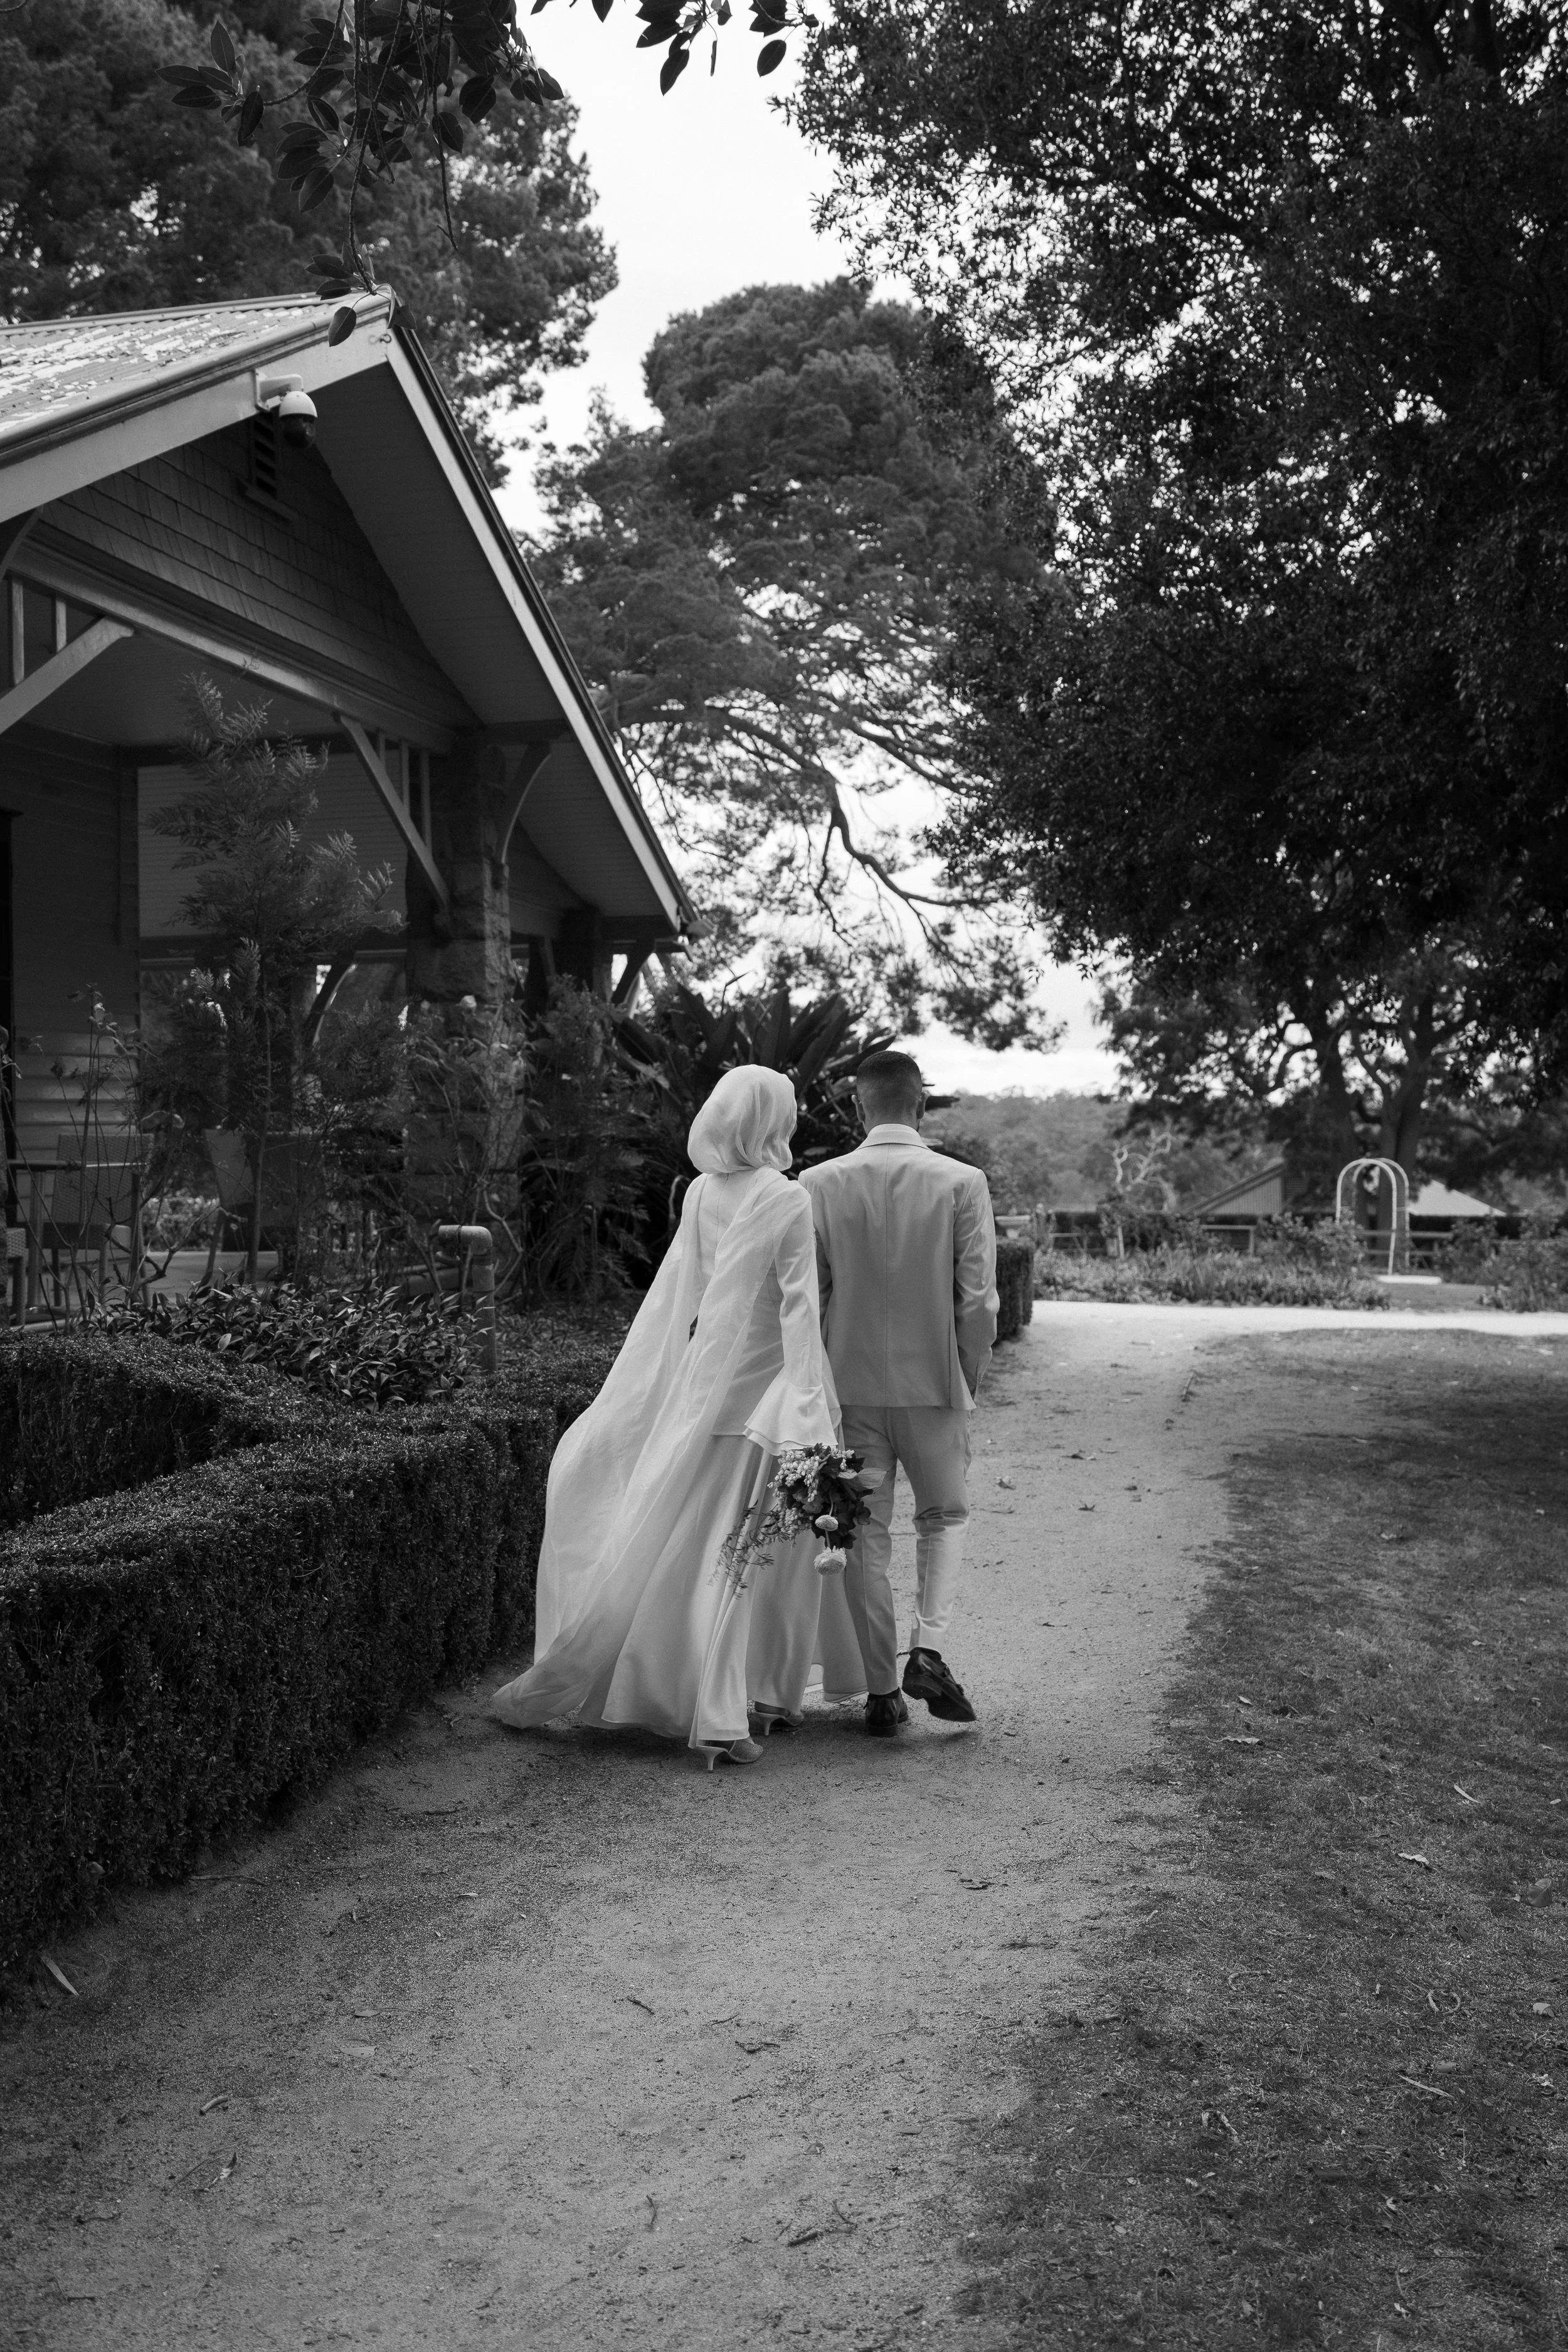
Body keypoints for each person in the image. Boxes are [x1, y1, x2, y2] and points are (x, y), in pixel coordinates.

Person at [490, 1066, 849, 1768]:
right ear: (772, 1121)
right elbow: (799, 1308)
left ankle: (713, 1692)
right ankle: (723, 1712)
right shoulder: (785, 1197)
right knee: (742, 1552)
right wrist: (811, 1408)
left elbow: (678, 1295)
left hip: (702, 1386)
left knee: (690, 1546)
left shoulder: (702, 1195)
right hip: (765, 1394)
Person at [798, 1051, 999, 1736]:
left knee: (861, 1532)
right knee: (944, 1517)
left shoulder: (817, 1183)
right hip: (935, 1382)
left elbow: (809, 1298)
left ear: (859, 1107)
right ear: (920, 1104)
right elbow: (978, 1302)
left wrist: (816, 1388)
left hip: (847, 1388)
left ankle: (882, 1688)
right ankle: (929, 1649)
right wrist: (965, 1376)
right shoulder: (962, 1182)